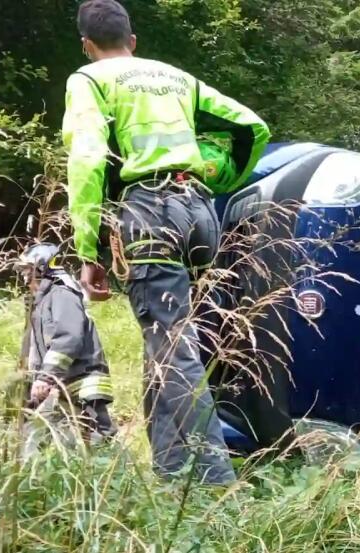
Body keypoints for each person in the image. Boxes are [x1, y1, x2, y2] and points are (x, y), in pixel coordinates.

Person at [63, 0, 270, 484]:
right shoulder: (175, 77)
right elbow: (251, 127)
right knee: (173, 342)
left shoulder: (89, 79)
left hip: (151, 211)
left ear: (87, 45)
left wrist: (88, 250)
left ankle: (214, 481)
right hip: (199, 213)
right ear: (133, 41)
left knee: (172, 346)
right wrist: (219, 177)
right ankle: (174, 467)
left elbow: (88, 158)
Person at [17, 242, 117, 449]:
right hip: (62, 383)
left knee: (95, 437)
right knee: (45, 436)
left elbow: (69, 337)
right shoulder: (42, 302)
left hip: (82, 381)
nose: (23, 276)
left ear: (41, 268)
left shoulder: (61, 295)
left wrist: (46, 377)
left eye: (27, 269)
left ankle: (111, 473)